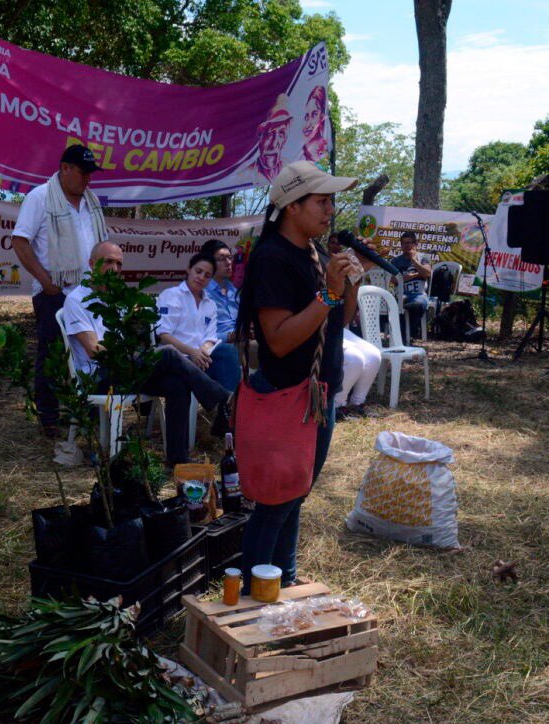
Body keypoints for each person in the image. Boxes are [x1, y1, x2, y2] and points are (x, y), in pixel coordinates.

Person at [235, 160, 365, 592]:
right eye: (322, 201)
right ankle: (258, 593)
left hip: (317, 393)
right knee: (275, 502)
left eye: (332, 201)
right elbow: (279, 342)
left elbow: (338, 322)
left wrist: (350, 285)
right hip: (288, 394)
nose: (330, 210)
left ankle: (282, 583)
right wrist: (327, 290)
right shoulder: (273, 258)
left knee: (295, 496)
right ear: (292, 206)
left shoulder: (314, 252)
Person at [63, 241, 231, 465]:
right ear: (92, 263)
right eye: (109, 262)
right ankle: (222, 399)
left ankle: (177, 459)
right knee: (169, 353)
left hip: (125, 370)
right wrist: (131, 355)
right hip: (100, 376)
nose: (114, 269)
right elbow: (94, 351)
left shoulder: (118, 299)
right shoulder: (77, 299)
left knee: (177, 384)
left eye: (119, 264)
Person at [12, 145, 108, 438]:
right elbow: (20, 241)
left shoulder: (91, 203)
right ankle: (49, 418)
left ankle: (87, 414)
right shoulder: (40, 197)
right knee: (53, 354)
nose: (87, 179)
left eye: (90, 173)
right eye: (82, 172)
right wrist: (46, 281)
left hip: (89, 295)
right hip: (54, 292)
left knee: (91, 354)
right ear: (65, 168)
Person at [156, 252, 241, 393]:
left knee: (227, 351)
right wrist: (192, 352)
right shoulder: (172, 295)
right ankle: (225, 403)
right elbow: (163, 335)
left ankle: (228, 407)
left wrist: (203, 351)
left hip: (201, 359)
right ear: (189, 269)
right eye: (198, 271)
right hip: (177, 358)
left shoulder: (210, 304)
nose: (201, 277)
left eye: (207, 275)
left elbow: (210, 338)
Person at [324, 236, 382, 418]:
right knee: (354, 358)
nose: (329, 210)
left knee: (373, 355)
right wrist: (331, 286)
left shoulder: (318, 254)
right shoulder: (308, 259)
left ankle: (357, 402)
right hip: (314, 329)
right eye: (320, 204)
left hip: (333, 324)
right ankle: (336, 406)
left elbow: (343, 318)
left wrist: (356, 278)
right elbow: (323, 300)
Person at [389, 231, 431, 341]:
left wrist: (414, 261)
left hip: (418, 295)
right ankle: (404, 337)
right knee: (399, 305)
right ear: (401, 245)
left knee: (417, 305)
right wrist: (412, 276)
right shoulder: (396, 261)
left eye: (410, 243)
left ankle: (408, 334)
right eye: (404, 243)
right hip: (401, 295)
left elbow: (427, 273)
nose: (407, 246)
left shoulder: (423, 258)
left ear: (415, 244)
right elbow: (393, 280)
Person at [200, 239, 239, 344]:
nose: (228, 262)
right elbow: (197, 335)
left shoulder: (233, 290)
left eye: (230, 257)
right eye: (222, 259)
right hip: (218, 349)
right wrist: (230, 336)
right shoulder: (201, 294)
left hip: (242, 342)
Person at [301, 85, 330, 163]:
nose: (309, 124)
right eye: (306, 116)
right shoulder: (298, 152)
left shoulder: (324, 150)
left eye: (314, 114)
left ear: (322, 116)